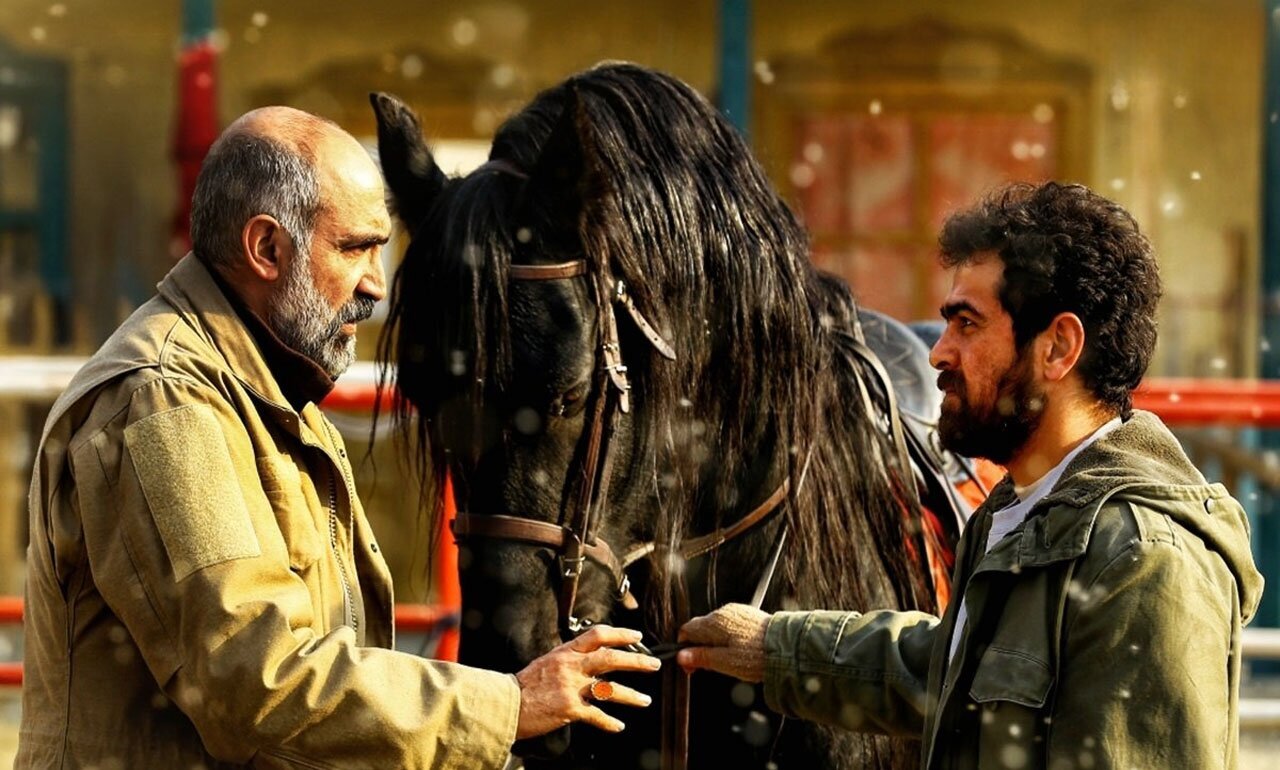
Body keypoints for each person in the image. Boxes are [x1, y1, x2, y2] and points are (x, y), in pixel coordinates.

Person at [17, 107, 658, 769]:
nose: (375, 286)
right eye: (355, 248)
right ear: (266, 249)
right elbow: (254, 686)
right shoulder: (166, 400)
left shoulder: (268, 394)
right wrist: (510, 706)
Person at [677, 181, 1264, 769]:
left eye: (968, 324)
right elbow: (952, 675)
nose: (938, 352)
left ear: (1058, 347)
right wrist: (775, 648)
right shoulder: (1023, 512)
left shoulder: (1141, 556)